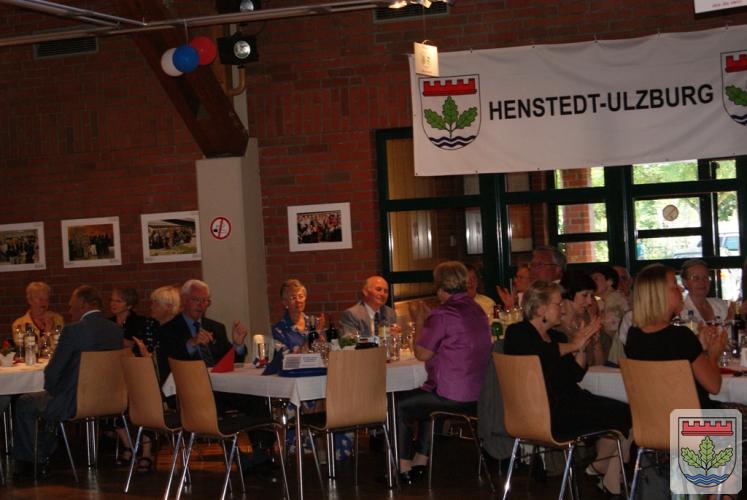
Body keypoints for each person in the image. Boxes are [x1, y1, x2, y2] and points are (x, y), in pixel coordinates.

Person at [504, 280, 631, 495]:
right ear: (540, 309)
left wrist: (581, 348)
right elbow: (539, 354)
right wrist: (573, 344)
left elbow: (574, 375)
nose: (562, 309)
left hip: (568, 402)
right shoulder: (518, 333)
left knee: (627, 410)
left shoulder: (557, 337)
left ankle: (605, 474)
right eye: (558, 304)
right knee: (620, 415)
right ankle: (601, 469)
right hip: (544, 413)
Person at [158, 279, 276, 473]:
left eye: (205, 301)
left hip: (220, 387)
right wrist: (192, 343)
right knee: (216, 406)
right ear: (184, 300)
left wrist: (237, 345)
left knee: (256, 397)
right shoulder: (168, 330)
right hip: (188, 391)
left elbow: (227, 361)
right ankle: (235, 455)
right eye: (196, 300)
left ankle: (261, 451)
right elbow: (169, 362)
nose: (201, 305)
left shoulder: (216, 327)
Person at [395, 261, 492, 484]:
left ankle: (403, 467)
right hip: (479, 394)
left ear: (439, 286)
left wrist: (419, 320)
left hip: (454, 396)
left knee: (398, 404)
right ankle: (420, 461)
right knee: (426, 397)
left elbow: (422, 353)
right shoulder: (476, 309)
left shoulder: (443, 313)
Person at [12, 285, 123, 478]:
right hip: (111, 400)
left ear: (83, 304)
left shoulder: (73, 331)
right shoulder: (115, 330)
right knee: (47, 400)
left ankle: (33, 462)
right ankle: (46, 453)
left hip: (75, 402)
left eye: (72, 306)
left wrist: (53, 391)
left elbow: (53, 372)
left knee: (25, 401)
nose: (69, 310)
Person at [625, 264, 725, 409]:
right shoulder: (680, 336)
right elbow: (714, 386)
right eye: (674, 286)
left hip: (655, 418)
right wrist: (713, 355)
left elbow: (666, 354)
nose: (681, 289)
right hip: (694, 420)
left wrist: (698, 346)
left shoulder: (634, 335)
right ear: (659, 294)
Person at [108, 287, 160, 472]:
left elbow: (143, 348)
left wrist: (122, 342)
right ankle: (129, 445)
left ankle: (146, 452)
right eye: (112, 300)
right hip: (114, 373)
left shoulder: (141, 323)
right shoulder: (108, 323)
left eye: (118, 301)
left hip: (138, 374)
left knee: (143, 400)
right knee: (107, 397)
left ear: (129, 305)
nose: (113, 304)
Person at [557, 270, 605, 366]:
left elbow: (599, 366)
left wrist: (596, 344)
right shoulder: (556, 325)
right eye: (584, 295)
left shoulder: (587, 319)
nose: (589, 302)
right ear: (570, 293)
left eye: (591, 296)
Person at [271, 279, 325, 355]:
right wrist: (314, 334)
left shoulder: (315, 322)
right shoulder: (278, 330)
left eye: (301, 296)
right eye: (293, 298)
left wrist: (322, 341)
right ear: (285, 302)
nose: (298, 301)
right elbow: (288, 358)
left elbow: (325, 352)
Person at [340, 275, 398, 339]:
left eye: (386, 291)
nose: (382, 294)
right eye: (378, 289)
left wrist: (395, 336)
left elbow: (393, 339)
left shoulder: (390, 313)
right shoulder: (352, 314)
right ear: (365, 292)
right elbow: (350, 341)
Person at [590, 264, 630, 357]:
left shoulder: (614, 300)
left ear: (609, 282)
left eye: (596, 279)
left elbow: (612, 333)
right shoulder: (606, 300)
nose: (592, 282)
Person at [678, 259, 732, 325]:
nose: (702, 282)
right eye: (695, 278)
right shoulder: (681, 310)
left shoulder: (720, 304)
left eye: (705, 277)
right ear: (684, 282)